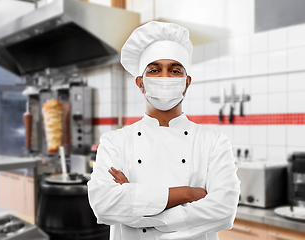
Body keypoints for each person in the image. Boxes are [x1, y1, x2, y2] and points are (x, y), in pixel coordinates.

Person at [87, 21, 240, 240]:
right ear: (141, 83)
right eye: (155, 70)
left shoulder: (213, 142)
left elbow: (224, 210)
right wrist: (187, 193)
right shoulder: (115, 142)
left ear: (186, 82)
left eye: (175, 70)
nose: (165, 78)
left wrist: (137, 205)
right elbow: (103, 205)